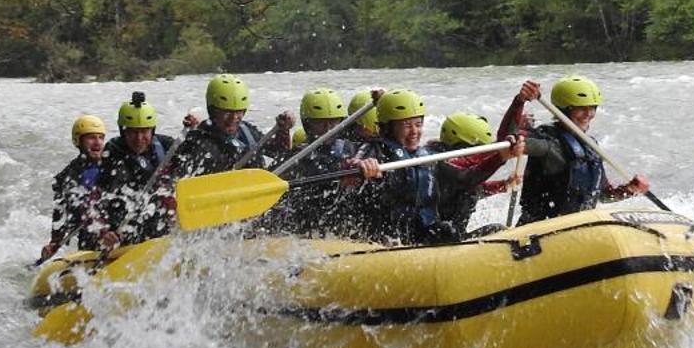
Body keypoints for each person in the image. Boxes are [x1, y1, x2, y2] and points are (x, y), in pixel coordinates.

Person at [348, 90, 514, 245]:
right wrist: (362, 166)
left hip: (424, 233)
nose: (415, 131)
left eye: (418, 124)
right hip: (387, 238)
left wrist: (501, 157)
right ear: (388, 127)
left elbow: (465, 179)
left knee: (493, 231)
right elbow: (353, 164)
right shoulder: (374, 150)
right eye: (406, 125)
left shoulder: (427, 157)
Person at [500, 76, 649, 224]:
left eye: (592, 108)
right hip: (540, 230)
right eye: (581, 108)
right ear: (564, 110)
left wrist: (629, 189)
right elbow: (507, 140)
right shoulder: (546, 141)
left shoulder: (591, 146)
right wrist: (520, 101)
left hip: (577, 229)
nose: (588, 114)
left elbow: (603, 195)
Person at [256, 88, 355, 235]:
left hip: (340, 219)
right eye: (321, 123)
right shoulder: (295, 157)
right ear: (308, 125)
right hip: (307, 222)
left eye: (333, 122)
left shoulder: (352, 149)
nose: (328, 129)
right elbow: (266, 184)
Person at [97, 91, 177, 246]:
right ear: (123, 132)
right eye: (133, 132)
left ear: (152, 131)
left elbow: (194, 155)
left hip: (159, 225)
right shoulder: (112, 154)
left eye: (144, 132)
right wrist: (104, 231)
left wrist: (194, 129)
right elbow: (99, 196)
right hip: (123, 230)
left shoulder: (167, 146)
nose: (139, 139)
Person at [424, 111, 521, 237]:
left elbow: (471, 189)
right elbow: (465, 179)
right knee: (498, 230)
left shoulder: (451, 164)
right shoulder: (439, 164)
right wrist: (500, 158)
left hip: (454, 235)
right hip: (435, 238)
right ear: (459, 146)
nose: (478, 158)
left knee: (498, 230)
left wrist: (503, 185)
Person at [166, 73, 267, 180]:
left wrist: (282, 131)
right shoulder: (197, 142)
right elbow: (175, 178)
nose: (233, 118)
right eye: (227, 112)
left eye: (239, 112)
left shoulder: (246, 131)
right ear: (213, 111)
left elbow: (279, 151)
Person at [39, 114, 110, 262]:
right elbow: (60, 211)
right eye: (91, 138)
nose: (97, 143)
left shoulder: (113, 163)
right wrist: (55, 242)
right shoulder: (69, 176)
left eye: (100, 137)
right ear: (78, 141)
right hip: (91, 233)